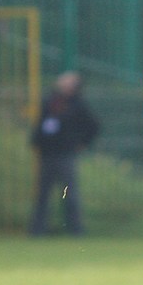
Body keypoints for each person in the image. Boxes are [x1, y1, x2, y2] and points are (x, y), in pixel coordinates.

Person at [29, 70, 100, 236]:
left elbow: (93, 126)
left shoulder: (78, 105)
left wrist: (82, 143)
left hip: (65, 154)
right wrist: (36, 141)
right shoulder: (50, 101)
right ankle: (37, 230)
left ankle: (75, 229)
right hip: (46, 153)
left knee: (70, 193)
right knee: (42, 194)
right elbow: (41, 124)